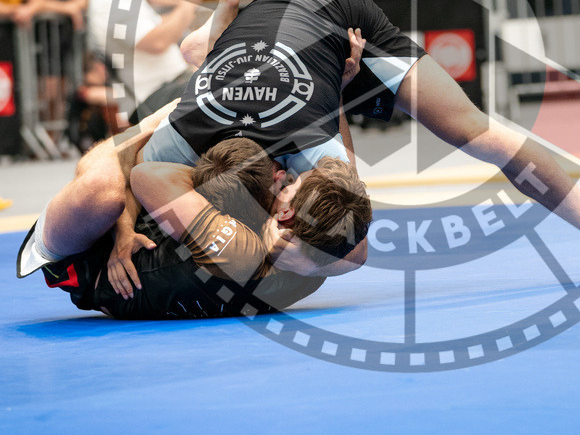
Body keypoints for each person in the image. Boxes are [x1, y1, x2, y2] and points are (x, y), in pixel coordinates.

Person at [147, 0, 580, 283]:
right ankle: (209, 46)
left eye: (278, 208)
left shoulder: (292, 141)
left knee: (471, 130)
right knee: (196, 64)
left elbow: (355, 229)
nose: (282, 210)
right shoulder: (190, 129)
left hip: (342, 20)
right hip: (260, 30)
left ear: (276, 178)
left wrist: (294, 258)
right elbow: (136, 170)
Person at [19, 132, 365, 320]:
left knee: (109, 188)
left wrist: (235, 178)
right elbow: (354, 220)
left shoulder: (241, 251)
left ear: (287, 215)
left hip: (82, 260)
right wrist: (335, 91)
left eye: (290, 184)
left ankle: (158, 114)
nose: (285, 177)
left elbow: (144, 175)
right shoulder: (326, 258)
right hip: (147, 237)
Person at [87, 0, 209, 118]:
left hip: (173, 84)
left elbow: (164, 28)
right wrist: (189, 0)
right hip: (153, 97)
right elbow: (157, 42)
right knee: (229, 87)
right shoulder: (105, 3)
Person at [32, 0, 89, 140]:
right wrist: (69, 9)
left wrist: (75, 7)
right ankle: (43, 137)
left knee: (65, 90)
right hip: (42, 40)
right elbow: (38, 1)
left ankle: (55, 138)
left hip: (67, 38)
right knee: (48, 90)